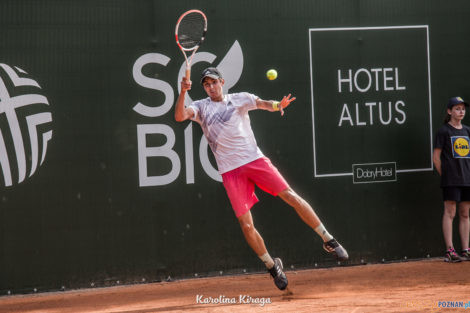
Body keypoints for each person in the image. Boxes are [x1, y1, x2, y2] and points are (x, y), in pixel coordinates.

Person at [175, 67, 348, 290]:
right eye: (206, 85)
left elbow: (264, 103)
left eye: (214, 83)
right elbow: (180, 116)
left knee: (291, 197)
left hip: (255, 161)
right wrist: (182, 92)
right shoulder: (200, 107)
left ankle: (328, 240)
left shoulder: (240, 99)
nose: (211, 87)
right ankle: (271, 266)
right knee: (246, 225)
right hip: (231, 172)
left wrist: (278, 106)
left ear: (222, 82)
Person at [433, 96, 470, 262]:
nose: (460, 111)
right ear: (449, 111)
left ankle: (465, 249)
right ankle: (450, 250)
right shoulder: (444, 131)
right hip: (451, 180)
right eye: (457, 108)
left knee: (465, 214)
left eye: (462, 108)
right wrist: (446, 176)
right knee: (450, 212)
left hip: (467, 179)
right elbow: (436, 158)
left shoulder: (468, 131)